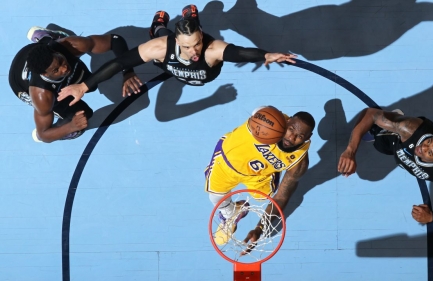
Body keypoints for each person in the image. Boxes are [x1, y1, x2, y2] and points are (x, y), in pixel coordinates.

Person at [56, 4, 297, 105]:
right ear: (176, 41)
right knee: (157, 34)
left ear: (202, 36)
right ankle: (159, 24)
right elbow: (120, 61)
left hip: (202, 73)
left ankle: (191, 16)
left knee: (183, 35)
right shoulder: (161, 46)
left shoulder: (213, 50)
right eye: (187, 47)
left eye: (197, 44)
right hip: (168, 64)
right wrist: (84, 87)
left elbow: (241, 53)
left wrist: (265, 55)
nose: (193, 52)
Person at [337, 108, 433, 223]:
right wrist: (350, 151)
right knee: (380, 142)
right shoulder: (411, 129)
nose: (422, 148)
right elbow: (371, 113)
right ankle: (389, 121)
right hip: (401, 141)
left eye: (430, 153)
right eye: (429, 142)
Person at [204, 106, 315, 251]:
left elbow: (281, 198)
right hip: (227, 160)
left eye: (300, 136)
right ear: (287, 122)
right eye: (291, 129)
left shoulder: (299, 163)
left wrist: (260, 228)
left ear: (307, 138)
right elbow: (259, 111)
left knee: (264, 196)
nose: (291, 137)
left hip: (258, 174)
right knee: (215, 198)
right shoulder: (270, 119)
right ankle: (231, 213)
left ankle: (265, 177)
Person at [8, 26, 140, 143]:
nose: (64, 68)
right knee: (83, 117)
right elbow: (43, 135)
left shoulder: (70, 46)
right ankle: (64, 129)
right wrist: (71, 126)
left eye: (60, 61)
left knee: (91, 85)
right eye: (56, 70)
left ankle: (47, 38)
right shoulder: (42, 96)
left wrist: (127, 71)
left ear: (56, 53)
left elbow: (115, 40)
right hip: (21, 84)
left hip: (40, 51)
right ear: (46, 74)